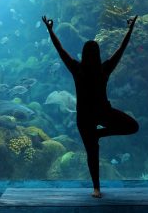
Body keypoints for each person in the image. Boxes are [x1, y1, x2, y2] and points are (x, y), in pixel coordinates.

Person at [42, 15, 139, 198]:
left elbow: (60, 50)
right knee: (132, 126)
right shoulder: (105, 68)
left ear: (83, 54)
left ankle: (96, 189)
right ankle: (100, 134)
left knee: (92, 152)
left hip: (84, 117)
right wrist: (130, 29)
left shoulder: (76, 68)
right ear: (98, 54)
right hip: (103, 112)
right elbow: (121, 49)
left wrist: (50, 30)